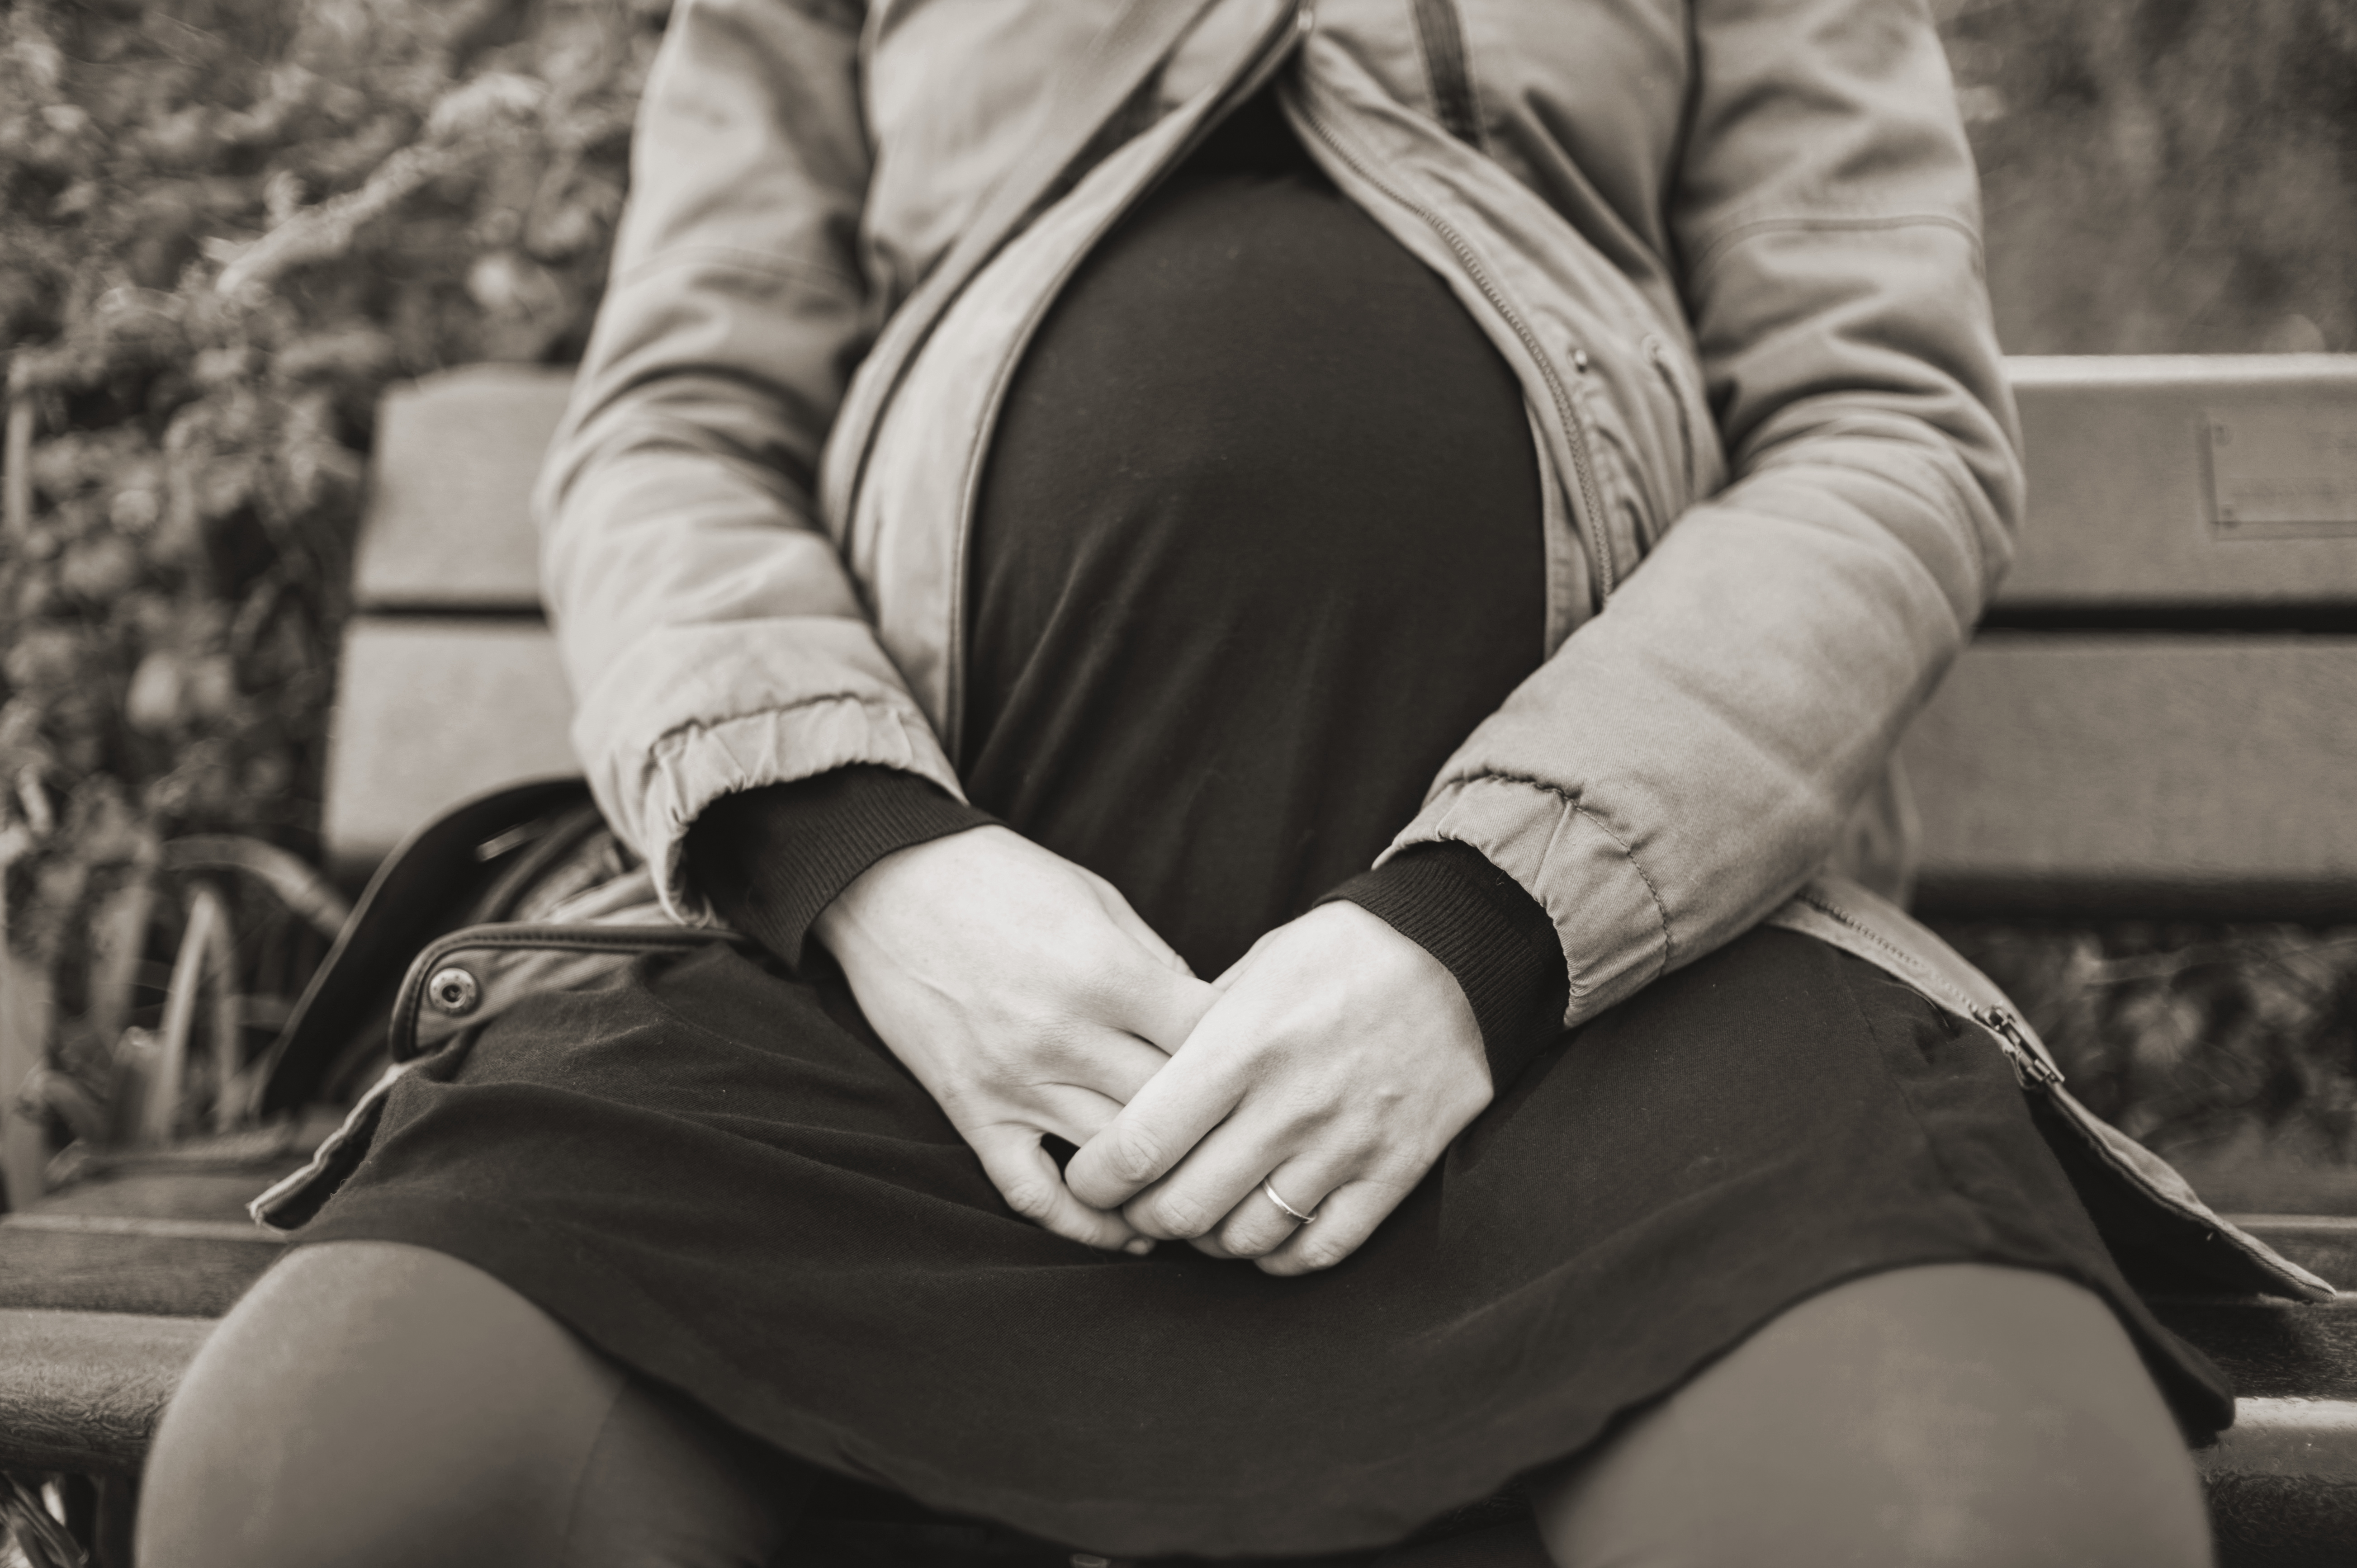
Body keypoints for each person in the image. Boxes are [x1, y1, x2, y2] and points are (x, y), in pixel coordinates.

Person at [140, 1, 2245, 1563]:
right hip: (886, 1038)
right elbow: (678, 430)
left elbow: (1881, 430)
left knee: (1996, 1510)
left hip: (1615, 1023)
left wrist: (1474, 935)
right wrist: (879, 876)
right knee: (322, 1477)